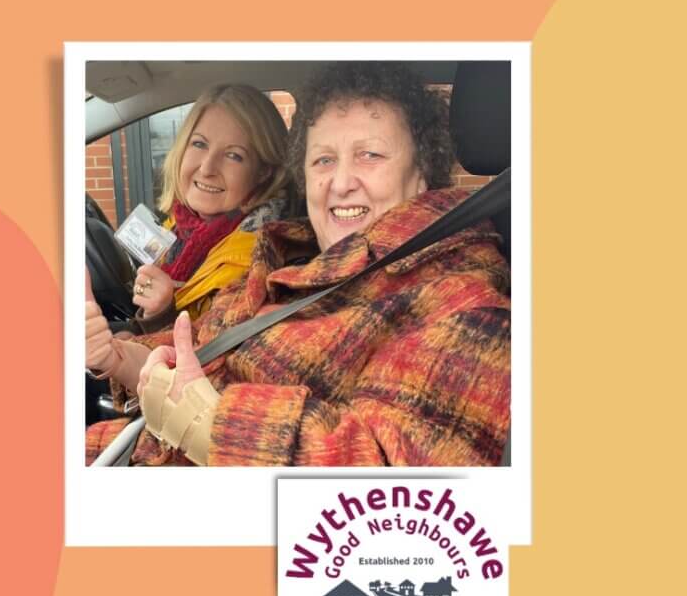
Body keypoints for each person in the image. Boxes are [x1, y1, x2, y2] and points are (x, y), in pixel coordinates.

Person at [86, 62, 510, 467]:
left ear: (422, 173)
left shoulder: (465, 303)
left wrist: (210, 424)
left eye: (370, 155)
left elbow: (397, 481)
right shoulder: (291, 260)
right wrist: (117, 356)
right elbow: (193, 355)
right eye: (324, 160)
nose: (340, 182)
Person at [126, 83, 292, 328]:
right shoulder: (179, 226)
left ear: (262, 172)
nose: (206, 168)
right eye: (199, 144)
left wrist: (162, 315)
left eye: (234, 155)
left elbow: (214, 347)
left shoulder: (258, 261)